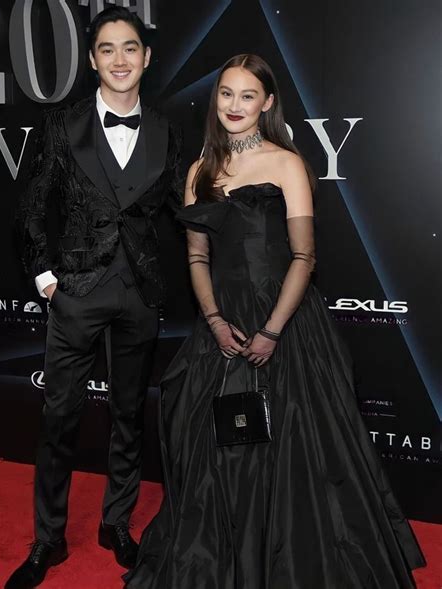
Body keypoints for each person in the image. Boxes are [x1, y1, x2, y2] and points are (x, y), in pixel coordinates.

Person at [124, 54, 425, 589]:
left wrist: (271, 331)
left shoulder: (286, 163)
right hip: (222, 325)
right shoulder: (199, 171)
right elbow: (196, 259)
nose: (234, 106)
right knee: (214, 456)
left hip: (284, 323)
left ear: (266, 103)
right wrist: (215, 321)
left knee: (293, 454)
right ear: (215, 101)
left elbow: (303, 258)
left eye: (246, 96)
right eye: (225, 94)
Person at [5, 7, 180, 589]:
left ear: (146, 57)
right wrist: (44, 278)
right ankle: (48, 541)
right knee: (59, 419)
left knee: (128, 417)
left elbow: (185, 210)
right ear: (92, 59)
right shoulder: (62, 125)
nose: (121, 60)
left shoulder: (166, 129)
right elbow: (31, 206)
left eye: (131, 48)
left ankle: (117, 523)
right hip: (75, 291)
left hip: (139, 295)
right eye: (108, 49)